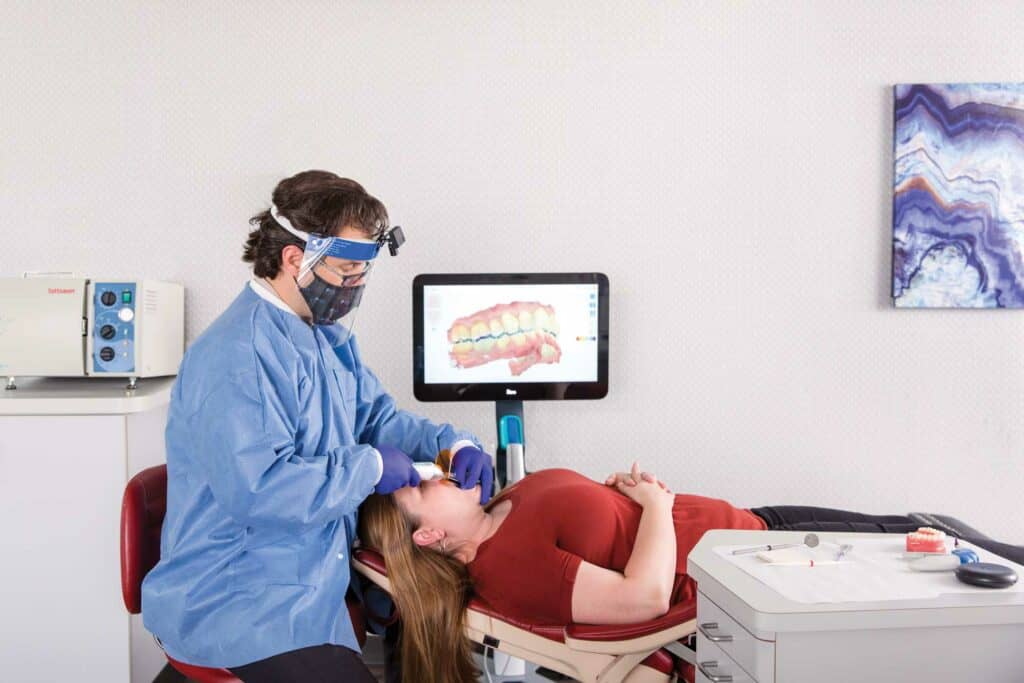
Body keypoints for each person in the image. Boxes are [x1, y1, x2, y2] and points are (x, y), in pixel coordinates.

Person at [141, 170, 495, 682]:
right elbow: (259, 490)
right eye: (348, 270)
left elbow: (376, 418)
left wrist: (451, 443)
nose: (357, 284)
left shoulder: (324, 337)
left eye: (363, 270)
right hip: (239, 601)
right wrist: (367, 469)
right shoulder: (235, 357)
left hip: (305, 584)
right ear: (293, 258)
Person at [358, 463, 1024, 683]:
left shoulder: (498, 507)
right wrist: (655, 502)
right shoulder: (510, 566)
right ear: (430, 535)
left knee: (931, 524)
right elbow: (644, 595)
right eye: (422, 487)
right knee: (948, 541)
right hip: (756, 564)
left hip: (746, 527)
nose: (434, 472)